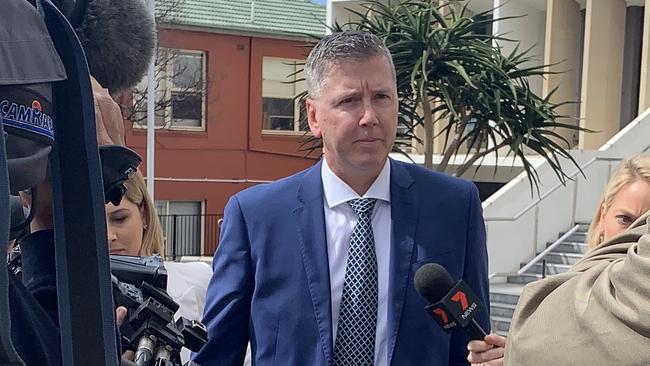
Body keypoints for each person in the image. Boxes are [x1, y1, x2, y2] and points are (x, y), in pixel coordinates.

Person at [194, 30, 490, 366]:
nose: (369, 117)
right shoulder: (256, 216)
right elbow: (216, 354)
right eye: (349, 101)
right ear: (314, 116)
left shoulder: (454, 206)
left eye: (382, 97)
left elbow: (473, 344)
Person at [467, 154, 650, 366]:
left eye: (643, 228)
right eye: (625, 219)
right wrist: (521, 352)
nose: (633, 234)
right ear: (603, 214)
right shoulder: (569, 289)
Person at [105, 169, 212, 364]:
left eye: (119, 219)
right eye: (94, 223)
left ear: (144, 215)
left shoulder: (199, 281)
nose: (109, 235)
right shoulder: (67, 303)